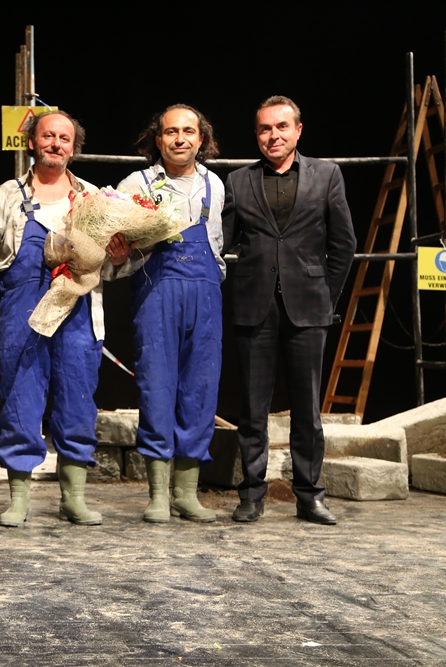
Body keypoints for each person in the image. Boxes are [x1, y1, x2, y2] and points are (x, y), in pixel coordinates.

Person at [222, 96, 356, 525]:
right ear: (256, 134)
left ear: (298, 130)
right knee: (252, 409)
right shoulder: (238, 180)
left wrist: (325, 296)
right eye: (265, 129)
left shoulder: (327, 174)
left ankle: (310, 495)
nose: (273, 135)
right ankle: (251, 494)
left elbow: (344, 244)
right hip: (253, 306)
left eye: (282, 127)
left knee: (307, 409)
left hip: (308, 307)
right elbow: (220, 241)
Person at [0, 110, 121, 527]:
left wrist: (119, 254)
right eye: (48, 136)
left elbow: (111, 267)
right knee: (20, 398)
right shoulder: (8, 195)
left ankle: (73, 497)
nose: (56, 144)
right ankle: (19, 497)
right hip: (23, 311)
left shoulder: (92, 198)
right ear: (32, 142)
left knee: (77, 398)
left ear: (74, 147)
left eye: (64, 138)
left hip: (79, 313)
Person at [110, 104, 225, 524]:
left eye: (188, 131)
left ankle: (186, 494)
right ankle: (158, 494)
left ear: (201, 139)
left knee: (200, 389)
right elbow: (117, 251)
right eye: (171, 132)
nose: (180, 139)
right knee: (157, 388)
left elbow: (216, 244)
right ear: (158, 140)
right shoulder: (135, 184)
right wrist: (120, 252)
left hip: (205, 298)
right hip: (157, 294)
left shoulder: (215, 185)